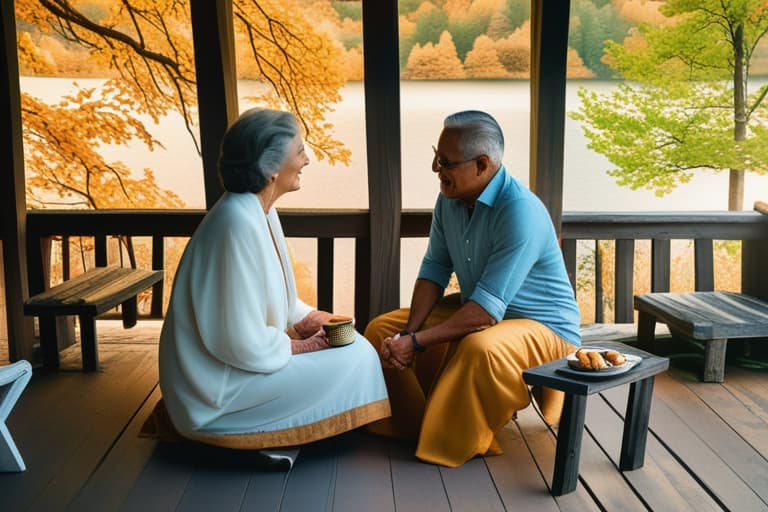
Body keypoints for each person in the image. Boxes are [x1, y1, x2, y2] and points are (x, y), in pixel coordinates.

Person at [157, 108, 390, 451]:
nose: (307, 159)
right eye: (299, 151)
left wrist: (310, 318)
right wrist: (302, 346)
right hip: (217, 391)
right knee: (358, 357)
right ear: (270, 167)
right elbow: (237, 339)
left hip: (237, 364)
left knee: (354, 345)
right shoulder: (235, 223)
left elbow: (271, 297)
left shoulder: (258, 210)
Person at [364, 110, 581, 467]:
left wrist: (415, 344)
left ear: (482, 164)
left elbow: (484, 312)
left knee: (480, 347)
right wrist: (407, 333)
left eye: (445, 162)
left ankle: (451, 440)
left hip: (544, 327)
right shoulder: (448, 201)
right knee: (380, 329)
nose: (436, 168)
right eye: (436, 155)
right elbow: (434, 269)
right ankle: (414, 424)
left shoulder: (520, 210)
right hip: (483, 311)